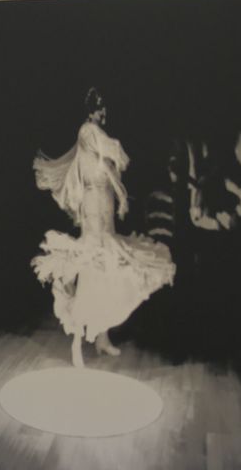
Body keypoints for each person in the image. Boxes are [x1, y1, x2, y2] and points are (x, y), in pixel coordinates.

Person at [30, 88, 175, 368]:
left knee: (107, 268)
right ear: (92, 110)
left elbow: (109, 168)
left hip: (104, 202)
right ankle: (77, 343)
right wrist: (115, 168)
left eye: (104, 108)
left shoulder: (96, 135)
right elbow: (112, 151)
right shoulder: (87, 131)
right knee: (91, 266)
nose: (104, 113)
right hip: (93, 205)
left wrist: (120, 196)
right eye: (100, 108)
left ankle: (102, 338)